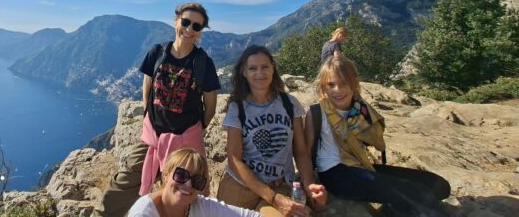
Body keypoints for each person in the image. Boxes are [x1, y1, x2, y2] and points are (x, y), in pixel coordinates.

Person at [94, 3, 221, 217]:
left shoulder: (203, 63)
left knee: (188, 193)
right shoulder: (157, 52)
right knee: (124, 183)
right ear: (176, 21)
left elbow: (210, 106)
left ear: (200, 32)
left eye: (196, 26)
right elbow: (147, 86)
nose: (189, 29)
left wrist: (195, 130)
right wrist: (148, 117)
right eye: (186, 22)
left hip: (185, 141)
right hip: (153, 137)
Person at [305, 56, 451, 217]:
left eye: (344, 83)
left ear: (355, 83)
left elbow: (376, 141)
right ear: (323, 86)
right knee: (416, 192)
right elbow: (305, 152)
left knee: (437, 186)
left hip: (360, 166)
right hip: (335, 174)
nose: (337, 90)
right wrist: (310, 185)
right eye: (331, 85)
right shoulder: (317, 113)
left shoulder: (361, 109)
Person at [217, 45, 327, 217]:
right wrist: (273, 198)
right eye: (252, 68)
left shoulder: (289, 104)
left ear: (273, 68)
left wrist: (309, 185)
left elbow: (301, 152)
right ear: (243, 73)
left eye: (265, 67)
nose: (260, 73)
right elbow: (234, 160)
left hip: (280, 184)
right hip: (242, 186)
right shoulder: (237, 108)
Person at [128, 148, 263, 217]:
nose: (188, 184)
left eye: (197, 181)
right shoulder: (144, 213)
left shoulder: (199, 206)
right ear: (166, 174)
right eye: (181, 175)